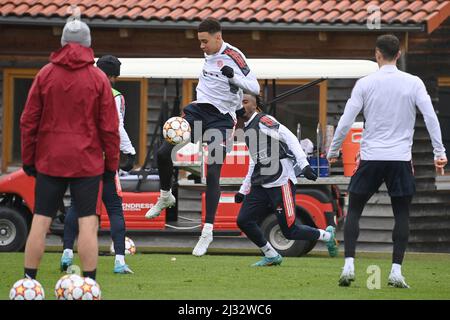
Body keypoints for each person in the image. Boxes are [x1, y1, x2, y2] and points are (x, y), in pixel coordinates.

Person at [327, 34, 447, 288]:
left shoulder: (365, 83)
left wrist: (333, 150)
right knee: (401, 214)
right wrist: (439, 152)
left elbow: (347, 120)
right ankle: (395, 271)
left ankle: (348, 264)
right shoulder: (413, 83)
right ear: (399, 54)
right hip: (400, 160)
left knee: (355, 210)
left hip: (371, 158)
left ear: (377, 55)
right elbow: (430, 117)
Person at [145, 17, 260, 257]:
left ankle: (207, 232)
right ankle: (166, 196)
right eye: (199, 42)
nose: (201, 46)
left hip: (222, 120)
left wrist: (234, 78)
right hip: (198, 110)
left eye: (205, 41)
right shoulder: (208, 53)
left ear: (218, 37)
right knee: (163, 153)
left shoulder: (235, 56)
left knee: (213, 170)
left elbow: (255, 88)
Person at [20, 19, 120, 281]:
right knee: (88, 222)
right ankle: (90, 284)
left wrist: (29, 159)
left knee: (40, 220)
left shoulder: (45, 74)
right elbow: (110, 129)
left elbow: (28, 120)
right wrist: (111, 166)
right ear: (89, 45)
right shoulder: (99, 78)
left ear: (63, 43)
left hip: (50, 160)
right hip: (87, 162)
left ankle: (29, 282)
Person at [235, 94, 338, 266]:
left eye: (245, 102)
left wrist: (304, 164)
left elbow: (289, 136)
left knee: (289, 231)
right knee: (243, 220)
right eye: (239, 103)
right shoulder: (246, 128)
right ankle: (271, 255)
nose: (241, 105)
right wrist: (243, 189)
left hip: (280, 181)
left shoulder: (264, 120)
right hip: (261, 183)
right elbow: (254, 160)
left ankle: (327, 236)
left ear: (255, 106)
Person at [60, 55, 136, 274]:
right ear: (112, 76)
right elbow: (116, 126)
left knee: (76, 205)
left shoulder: (79, 89)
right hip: (103, 160)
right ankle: (120, 261)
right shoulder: (115, 95)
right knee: (114, 208)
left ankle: (66, 252)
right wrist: (129, 151)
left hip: (81, 157)